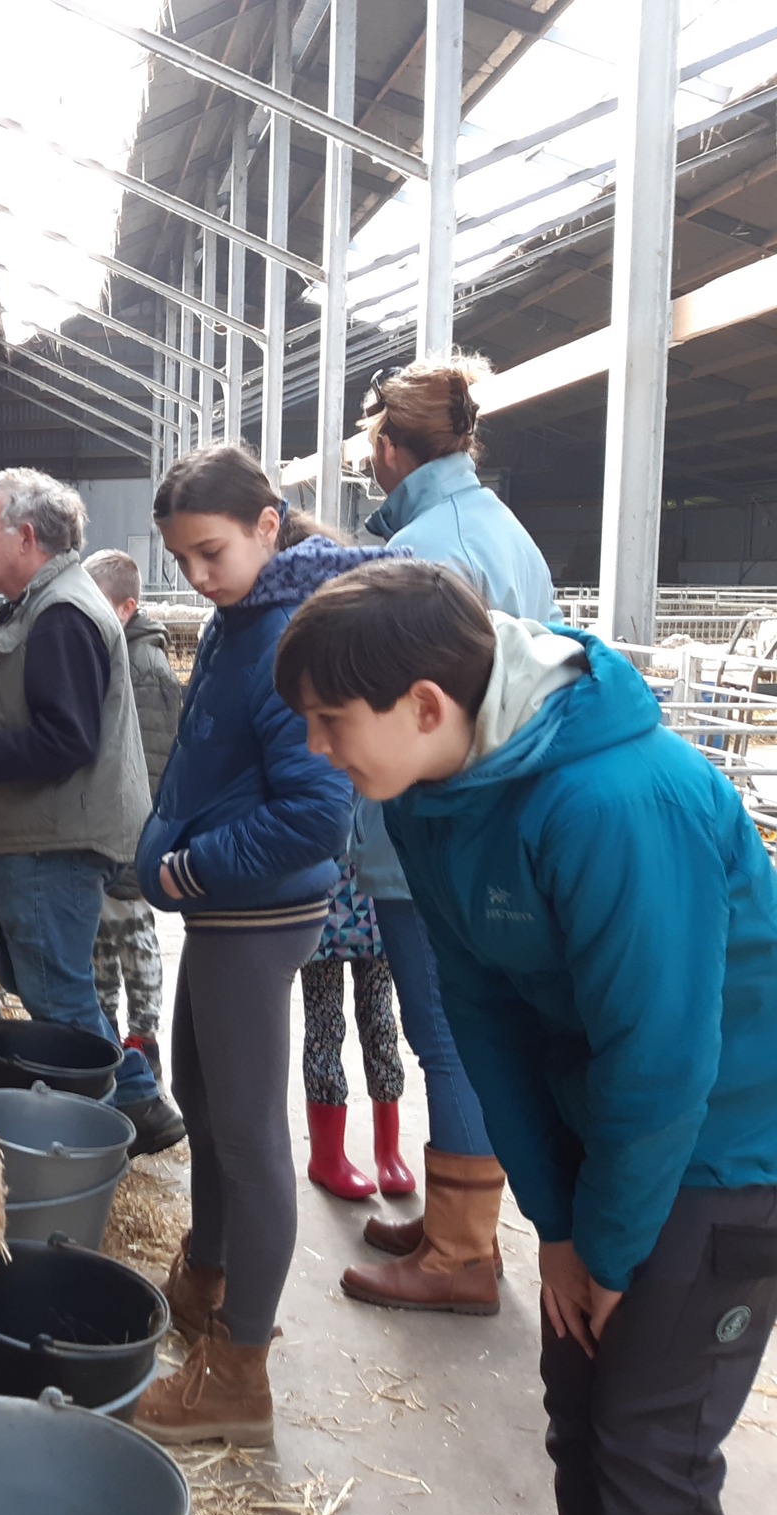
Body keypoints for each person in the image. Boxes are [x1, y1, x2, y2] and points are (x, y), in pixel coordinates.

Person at [278, 558, 777, 1515]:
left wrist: (608, 1246)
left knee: (648, 1447)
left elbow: (661, 1057)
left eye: (329, 720)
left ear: (423, 704)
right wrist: (554, 1227)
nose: (314, 746)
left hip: (721, 1146)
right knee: (578, 1416)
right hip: (603, 1132)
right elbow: (479, 1011)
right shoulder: (429, 796)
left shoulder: (615, 802)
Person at [130, 444, 393, 1447]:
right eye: (181, 558)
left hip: (254, 908)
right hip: (223, 909)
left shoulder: (284, 628)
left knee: (245, 1134)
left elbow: (314, 812)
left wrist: (186, 868)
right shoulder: (241, 620)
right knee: (202, 1099)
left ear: (267, 525)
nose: (195, 574)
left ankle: (239, 1367)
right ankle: (206, 1276)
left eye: (210, 550)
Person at [341, 355, 560, 1315]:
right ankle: (450, 1216)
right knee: (464, 1026)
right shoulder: (509, 535)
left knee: (445, 1031)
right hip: (499, 815)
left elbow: (405, 710)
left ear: (390, 449)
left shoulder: (423, 551)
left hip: (430, 827)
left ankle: (464, 1253)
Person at [0, 468, 184, 1155]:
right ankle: (132, 1099)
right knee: (42, 979)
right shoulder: (41, 605)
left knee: (57, 993)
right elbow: (52, 730)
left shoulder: (61, 616)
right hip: (48, 828)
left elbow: (65, 741)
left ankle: (124, 1117)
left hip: (59, 841)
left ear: (25, 536)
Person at [84, 547, 182, 1081]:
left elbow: (154, 759)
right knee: (106, 936)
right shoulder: (118, 656)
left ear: (126, 608)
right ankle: (109, 1034)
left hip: (133, 831)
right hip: (112, 828)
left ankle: (143, 1040)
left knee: (133, 934)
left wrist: (141, 838)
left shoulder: (146, 667)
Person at [299, 860, 413, 1203]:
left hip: (377, 903)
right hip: (320, 906)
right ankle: (326, 1156)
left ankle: (389, 1152)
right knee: (325, 1028)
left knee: (380, 1023)